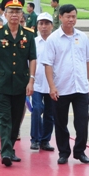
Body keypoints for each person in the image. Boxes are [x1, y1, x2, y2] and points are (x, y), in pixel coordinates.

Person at [0, 0, 37, 167]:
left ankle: (10, 148)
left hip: (20, 84)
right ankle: (6, 152)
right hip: (1, 84)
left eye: (17, 12)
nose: (14, 15)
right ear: (5, 14)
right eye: (11, 12)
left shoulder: (28, 35)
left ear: (22, 15)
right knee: (5, 118)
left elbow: (32, 59)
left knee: (16, 119)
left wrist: (31, 81)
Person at [41, 4, 89, 164]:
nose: (71, 19)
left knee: (82, 121)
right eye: (68, 16)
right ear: (60, 17)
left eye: (74, 16)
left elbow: (88, 60)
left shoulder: (82, 37)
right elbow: (47, 64)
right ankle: (64, 152)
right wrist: (51, 86)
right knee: (60, 122)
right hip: (61, 88)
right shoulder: (53, 39)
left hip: (81, 87)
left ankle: (80, 151)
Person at [29, 12, 56, 152]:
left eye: (47, 24)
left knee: (50, 113)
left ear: (52, 26)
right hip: (37, 83)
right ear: (37, 26)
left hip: (52, 84)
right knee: (37, 109)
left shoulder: (56, 42)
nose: (44, 27)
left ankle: (45, 140)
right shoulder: (33, 42)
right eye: (41, 24)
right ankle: (35, 139)